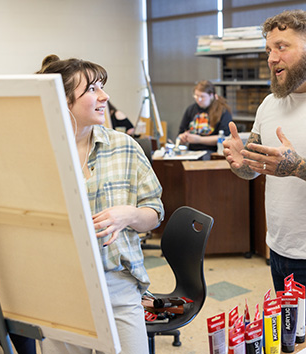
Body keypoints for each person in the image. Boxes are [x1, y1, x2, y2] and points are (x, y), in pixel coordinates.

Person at [222, 9, 306, 338]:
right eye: (268, 50)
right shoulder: (270, 104)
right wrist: (243, 166)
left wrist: (297, 167)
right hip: (279, 250)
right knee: (290, 342)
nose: (271, 58)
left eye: (281, 47)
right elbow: (254, 167)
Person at [37, 55, 164, 354]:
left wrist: (129, 215)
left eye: (102, 87)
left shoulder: (124, 147)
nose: (105, 96)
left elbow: (155, 213)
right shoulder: (40, 151)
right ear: (63, 99)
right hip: (60, 285)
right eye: (93, 89)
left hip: (117, 285)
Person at [177, 80, 233, 152]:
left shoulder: (223, 110)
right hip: (192, 151)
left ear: (211, 95)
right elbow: (180, 133)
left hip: (212, 152)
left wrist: (199, 140)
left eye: (202, 97)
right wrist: (183, 138)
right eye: (196, 96)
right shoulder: (190, 109)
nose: (198, 100)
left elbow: (225, 138)